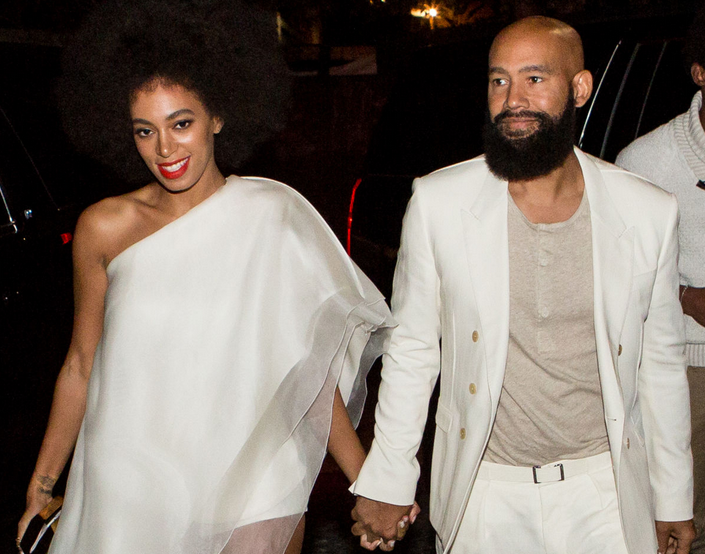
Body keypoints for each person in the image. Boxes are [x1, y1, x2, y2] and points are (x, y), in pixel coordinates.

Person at [15, 1, 398, 553]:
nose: (164, 149)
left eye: (181, 123)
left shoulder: (270, 216)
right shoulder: (104, 227)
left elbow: (305, 371)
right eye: (145, 131)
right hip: (132, 481)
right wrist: (42, 483)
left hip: (251, 476)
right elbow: (80, 363)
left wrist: (368, 484)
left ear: (217, 116)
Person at [349, 16, 695, 554]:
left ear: (580, 88)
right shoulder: (441, 202)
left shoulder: (646, 210)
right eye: (499, 80)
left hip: (604, 493)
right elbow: (413, 349)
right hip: (485, 492)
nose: (513, 99)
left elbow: (661, 363)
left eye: (534, 78)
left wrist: (672, 497)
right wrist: (389, 478)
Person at [615, 9, 705, 552]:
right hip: (687, 372)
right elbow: (616, 283)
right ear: (700, 72)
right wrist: (686, 297)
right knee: (681, 524)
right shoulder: (646, 162)